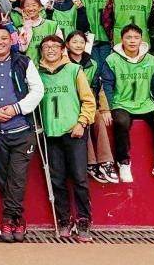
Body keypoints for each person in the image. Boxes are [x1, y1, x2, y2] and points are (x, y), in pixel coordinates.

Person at [0, 26, 44, 243]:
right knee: (2, 178)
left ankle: (8, 219)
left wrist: (17, 108)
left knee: (17, 177)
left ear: (11, 41)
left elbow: (38, 90)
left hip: (22, 130)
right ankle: (18, 218)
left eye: (4, 38)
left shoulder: (24, 62)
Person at [100, 25, 154, 184]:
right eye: (128, 37)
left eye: (136, 37)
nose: (132, 41)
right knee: (121, 122)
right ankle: (123, 162)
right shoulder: (112, 60)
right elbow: (107, 85)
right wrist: (107, 108)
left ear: (142, 39)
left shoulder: (151, 60)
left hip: (146, 103)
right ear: (121, 39)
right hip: (122, 103)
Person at [36, 34, 95, 243]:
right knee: (57, 179)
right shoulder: (38, 74)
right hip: (51, 133)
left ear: (63, 50)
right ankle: (64, 219)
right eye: (46, 47)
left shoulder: (74, 70)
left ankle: (84, 220)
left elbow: (89, 101)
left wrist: (82, 123)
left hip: (74, 131)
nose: (50, 49)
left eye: (55, 46)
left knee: (79, 178)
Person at [65, 30, 117, 184]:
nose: (78, 45)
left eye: (82, 42)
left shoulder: (92, 63)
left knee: (98, 118)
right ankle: (91, 162)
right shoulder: (64, 63)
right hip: (71, 106)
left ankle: (106, 162)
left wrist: (105, 109)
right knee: (83, 121)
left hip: (89, 104)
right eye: (74, 42)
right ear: (67, 45)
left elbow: (98, 87)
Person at [16, 0, 64, 65]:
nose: (31, 8)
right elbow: (22, 49)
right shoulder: (21, 29)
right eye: (27, 6)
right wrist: (27, 26)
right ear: (23, 9)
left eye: (34, 5)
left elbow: (62, 47)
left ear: (40, 7)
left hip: (51, 66)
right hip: (31, 67)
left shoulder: (52, 25)